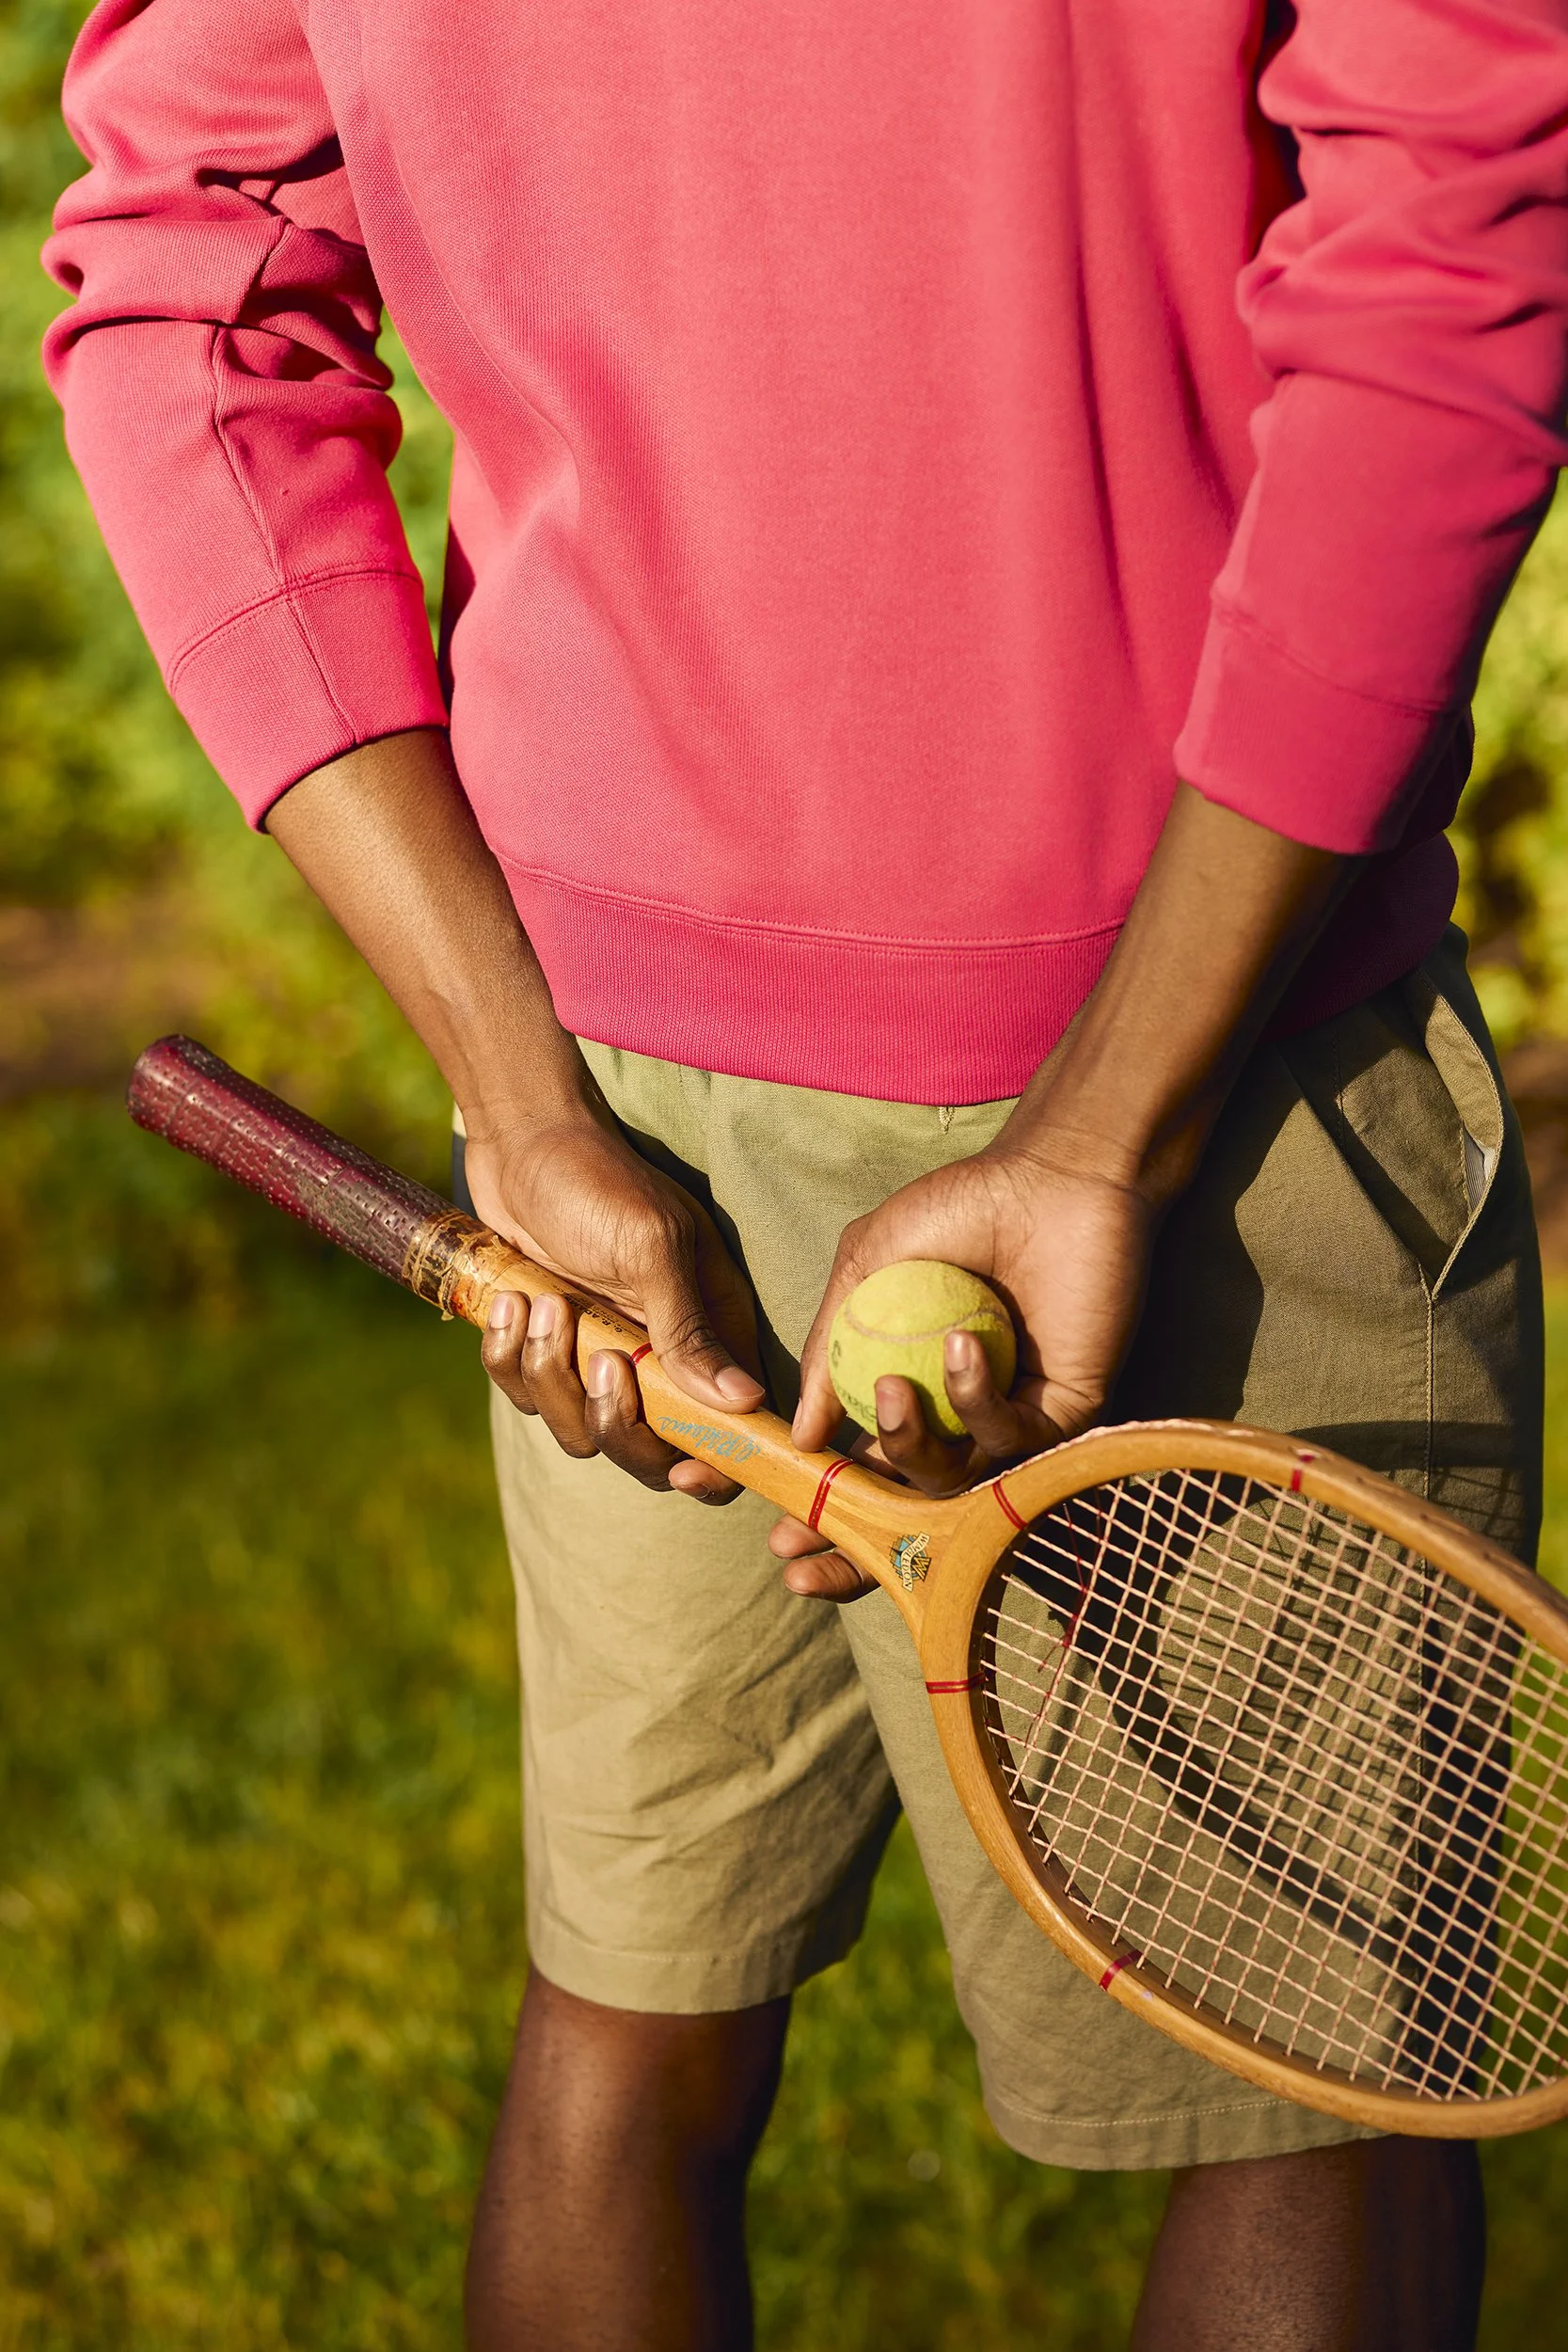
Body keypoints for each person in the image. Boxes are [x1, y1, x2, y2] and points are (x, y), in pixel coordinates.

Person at [43, 0, 1568, 2343]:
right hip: (1214, 1043)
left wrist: (518, 1086)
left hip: (624, 1107)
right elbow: (1446, 241)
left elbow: (184, 286)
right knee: (1313, 2133)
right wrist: (1107, 1119)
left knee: (628, 2039)